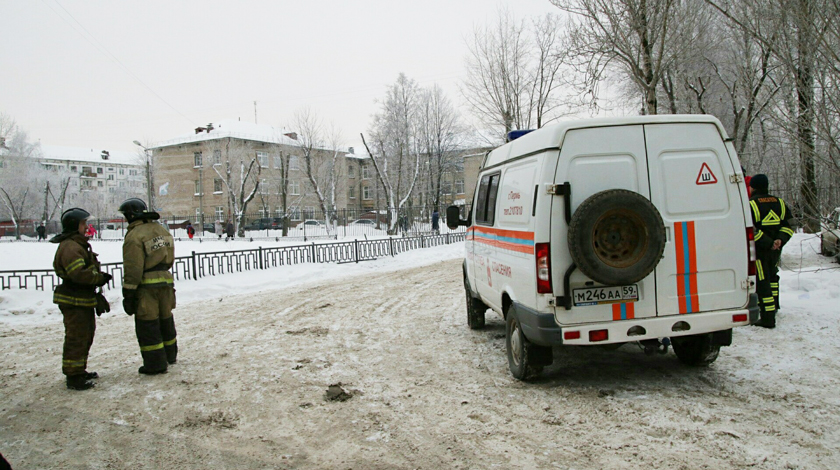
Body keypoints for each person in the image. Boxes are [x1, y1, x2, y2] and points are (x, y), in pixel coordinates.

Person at [50, 207, 112, 390]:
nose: (86, 226)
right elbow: (78, 273)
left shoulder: (76, 244)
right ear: (74, 225)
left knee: (85, 334)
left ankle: (78, 369)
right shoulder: (71, 246)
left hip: (81, 299)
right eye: (83, 223)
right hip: (74, 299)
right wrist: (98, 278)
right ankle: (73, 376)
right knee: (77, 337)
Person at [119, 198, 177, 375]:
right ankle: (170, 355)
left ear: (130, 215)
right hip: (166, 282)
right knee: (165, 319)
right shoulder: (161, 230)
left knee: (148, 324)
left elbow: (133, 267)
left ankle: (155, 364)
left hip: (146, 286)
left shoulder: (134, 235)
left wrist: (128, 293)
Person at [749, 174, 794, 328]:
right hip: (776, 250)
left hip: (760, 251)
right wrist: (779, 240)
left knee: (763, 282)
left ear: (753, 187)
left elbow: (751, 230)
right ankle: (774, 307)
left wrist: (768, 243)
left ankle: (768, 318)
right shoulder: (779, 203)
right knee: (773, 277)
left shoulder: (751, 205)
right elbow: (789, 226)